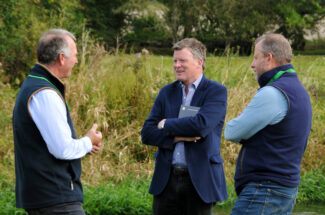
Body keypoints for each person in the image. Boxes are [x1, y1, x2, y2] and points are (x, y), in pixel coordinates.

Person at [13, 29, 103, 215]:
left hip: (45, 196)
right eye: (75, 56)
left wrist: (84, 146)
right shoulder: (45, 93)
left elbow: (48, 144)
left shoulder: (33, 85)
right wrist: (89, 141)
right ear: (61, 58)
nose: (77, 61)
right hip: (56, 199)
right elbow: (61, 149)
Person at [224, 33, 312, 215]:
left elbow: (232, 131)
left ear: (269, 58)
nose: (252, 64)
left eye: (256, 57)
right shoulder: (299, 91)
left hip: (264, 190)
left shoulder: (273, 93)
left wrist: (242, 119)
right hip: (284, 189)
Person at [141, 38, 228, 215]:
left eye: (182, 61)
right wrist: (177, 137)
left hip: (199, 181)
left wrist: (166, 124)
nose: (177, 65)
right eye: (175, 61)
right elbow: (147, 133)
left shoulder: (216, 91)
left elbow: (200, 126)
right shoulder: (167, 92)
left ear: (199, 62)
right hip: (166, 181)